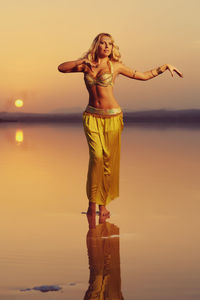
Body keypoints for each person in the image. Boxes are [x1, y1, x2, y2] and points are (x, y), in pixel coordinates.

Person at [58, 32, 183, 218]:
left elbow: (142, 75)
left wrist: (164, 67)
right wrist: (84, 61)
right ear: (96, 46)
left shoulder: (115, 66)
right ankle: (92, 204)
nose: (107, 46)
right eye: (103, 43)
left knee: (108, 163)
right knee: (96, 159)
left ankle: (103, 205)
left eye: (110, 44)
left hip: (113, 117)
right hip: (91, 117)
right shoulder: (86, 66)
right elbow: (61, 68)